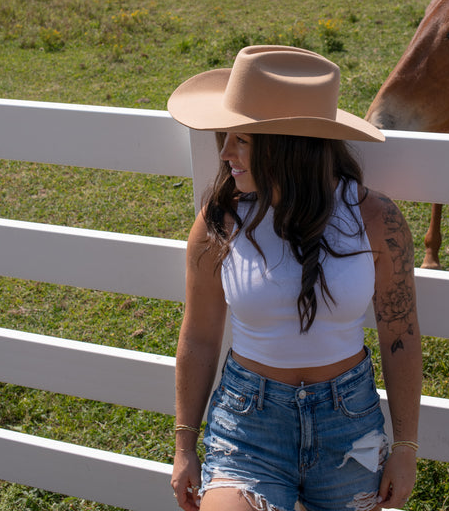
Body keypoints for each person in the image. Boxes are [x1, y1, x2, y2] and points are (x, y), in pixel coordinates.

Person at [167, 45, 422, 511]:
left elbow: (400, 334)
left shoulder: (376, 220)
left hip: (349, 425)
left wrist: (405, 447)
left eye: (240, 139)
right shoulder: (220, 220)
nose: (224, 154)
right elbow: (200, 335)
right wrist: (185, 445)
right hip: (248, 426)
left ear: (289, 145)